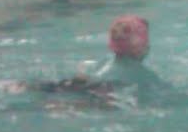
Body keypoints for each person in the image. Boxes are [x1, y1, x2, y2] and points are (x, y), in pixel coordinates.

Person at [12, 14, 164, 104]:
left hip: (88, 85)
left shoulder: (103, 64)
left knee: (63, 88)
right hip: (107, 91)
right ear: (141, 46)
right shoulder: (143, 75)